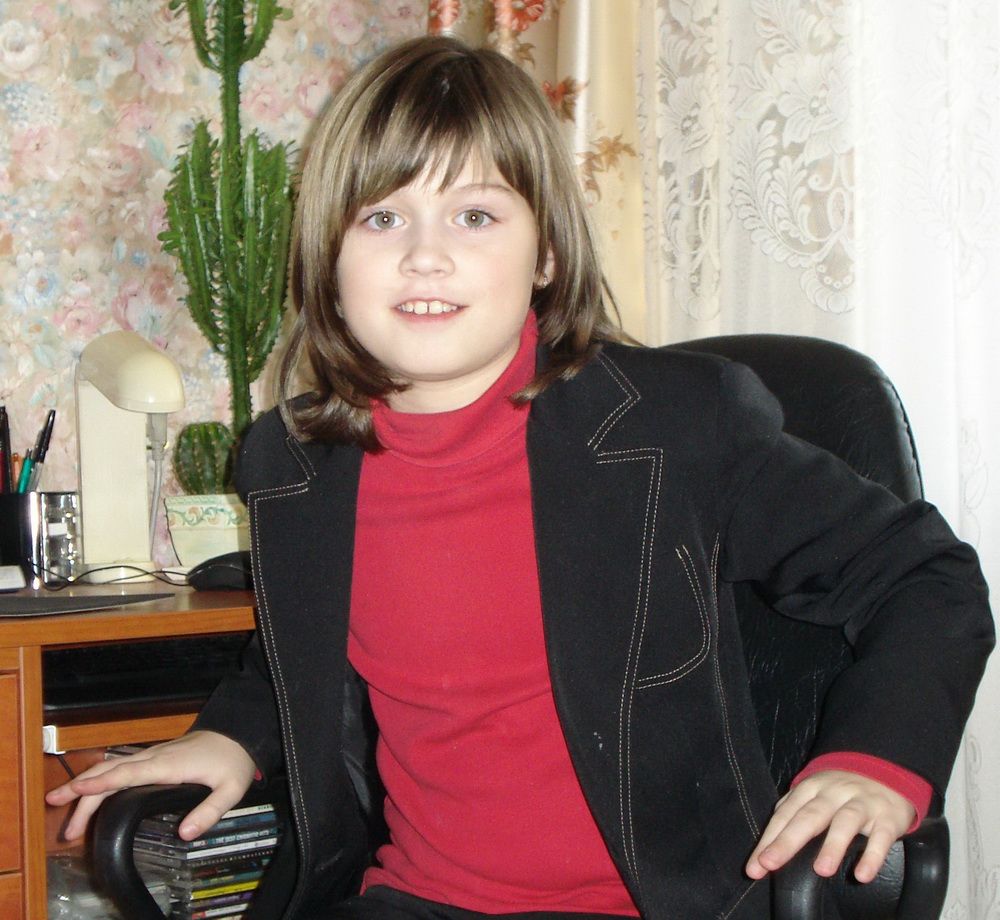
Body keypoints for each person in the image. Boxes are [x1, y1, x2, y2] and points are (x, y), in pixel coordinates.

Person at [48, 35, 993, 920]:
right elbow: (311, 645)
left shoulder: (676, 427)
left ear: (545, 253)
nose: (425, 254)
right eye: (382, 216)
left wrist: (876, 761)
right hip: (412, 900)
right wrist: (229, 736)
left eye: (475, 215)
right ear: (328, 257)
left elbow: (924, 575)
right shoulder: (292, 463)